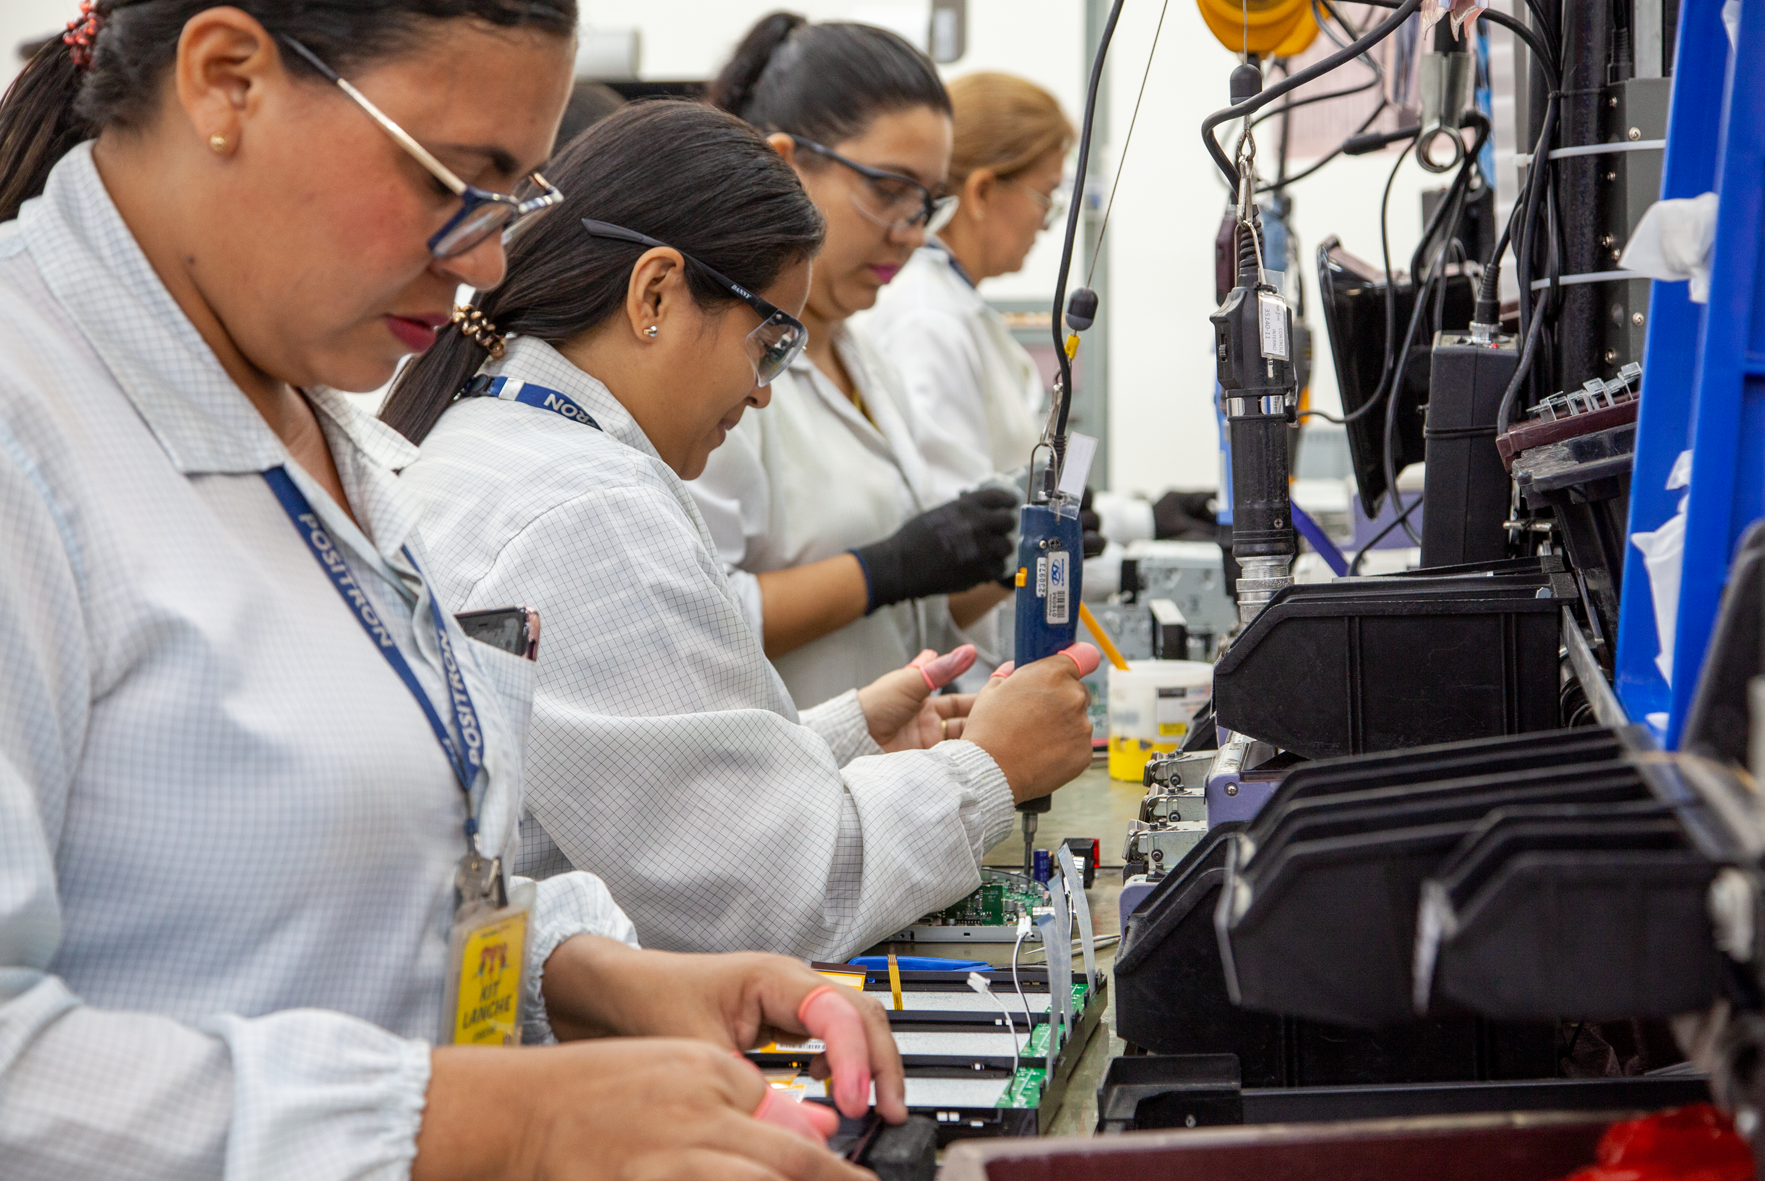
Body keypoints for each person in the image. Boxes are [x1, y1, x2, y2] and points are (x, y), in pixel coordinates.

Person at [0, 5, 900, 1179]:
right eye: (456, 179)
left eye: (513, 196)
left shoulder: (318, 422)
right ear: (227, 81)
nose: (485, 261)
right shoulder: (30, 437)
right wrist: (499, 1121)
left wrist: (589, 978)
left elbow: (331, 896)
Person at [380, 99, 1097, 962]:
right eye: (769, 345)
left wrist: (847, 732)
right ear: (655, 293)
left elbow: (648, 773)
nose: (763, 392)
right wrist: (987, 771)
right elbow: (784, 896)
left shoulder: (518, 442)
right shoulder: (584, 508)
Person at [690, 13, 1023, 708]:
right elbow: (696, 624)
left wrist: (1006, 552)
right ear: (784, 165)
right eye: (888, 190)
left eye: (925, 202)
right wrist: (884, 568)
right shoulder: (714, 367)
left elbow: (909, 620)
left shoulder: (861, 351)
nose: (910, 233)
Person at [861, 71, 1221, 552]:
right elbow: (972, 541)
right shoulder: (928, 323)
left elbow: (1028, 494)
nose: (1048, 224)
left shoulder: (960, 308)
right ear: (983, 192)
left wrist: (1147, 520)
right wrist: (1126, 563)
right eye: (1045, 196)